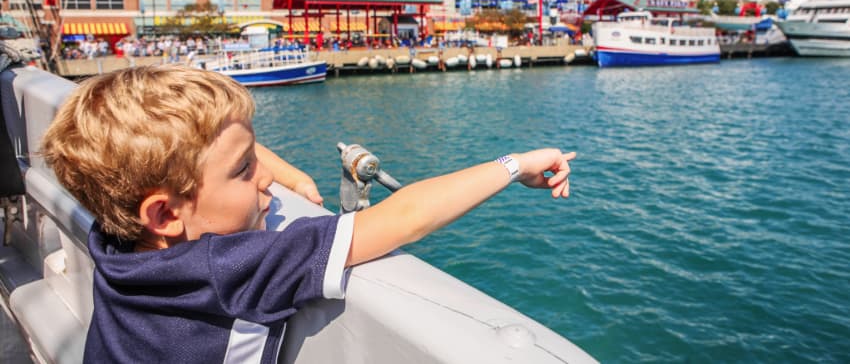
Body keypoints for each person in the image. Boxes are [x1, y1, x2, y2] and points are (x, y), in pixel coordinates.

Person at [41, 65, 575, 363]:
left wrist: (292, 176)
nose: (264, 176)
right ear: (164, 213)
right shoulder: (228, 269)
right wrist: (515, 164)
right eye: (245, 169)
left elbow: (208, 156)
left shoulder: (114, 240)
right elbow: (405, 215)